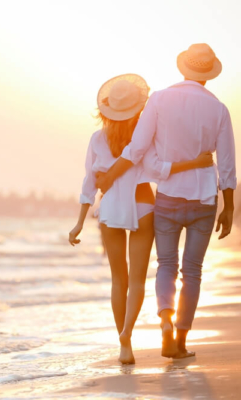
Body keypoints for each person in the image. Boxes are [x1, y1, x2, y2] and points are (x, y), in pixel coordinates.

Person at [96, 44, 237, 359]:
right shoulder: (219, 110)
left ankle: (164, 322)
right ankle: (181, 340)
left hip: (169, 197)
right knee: (193, 270)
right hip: (204, 198)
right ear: (208, 74)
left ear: (182, 68)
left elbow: (136, 149)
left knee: (167, 265)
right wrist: (229, 207)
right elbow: (227, 164)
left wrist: (108, 177)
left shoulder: (159, 99)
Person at [68, 74, 213, 364]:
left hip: (109, 210)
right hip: (144, 205)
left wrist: (80, 221)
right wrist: (196, 162)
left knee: (117, 280)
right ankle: (127, 330)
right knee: (137, 281)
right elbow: (159, 169)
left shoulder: (97, 139)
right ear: (139, 108)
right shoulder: (147, 136)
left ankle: (125, 345)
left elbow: (89, 182)